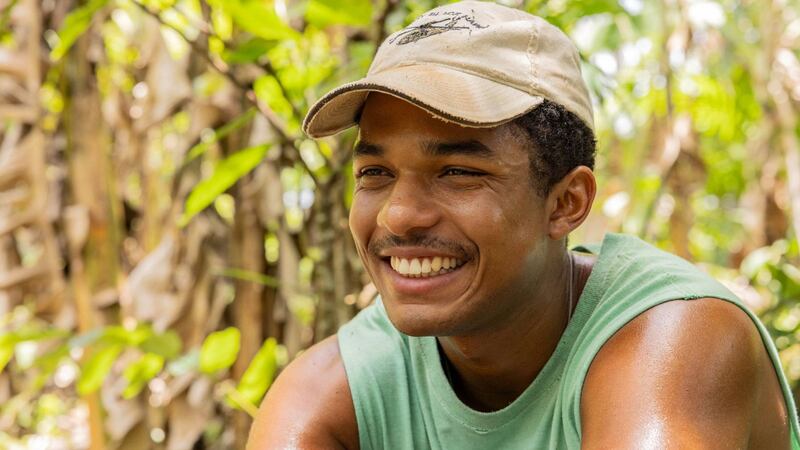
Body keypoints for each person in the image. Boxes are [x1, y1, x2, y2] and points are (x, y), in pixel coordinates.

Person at [247, 2, 800, 449]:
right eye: (375, 172)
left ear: (566, 203)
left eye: (458, 172)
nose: (398, 214)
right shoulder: (334, 392)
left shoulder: (676, 339)